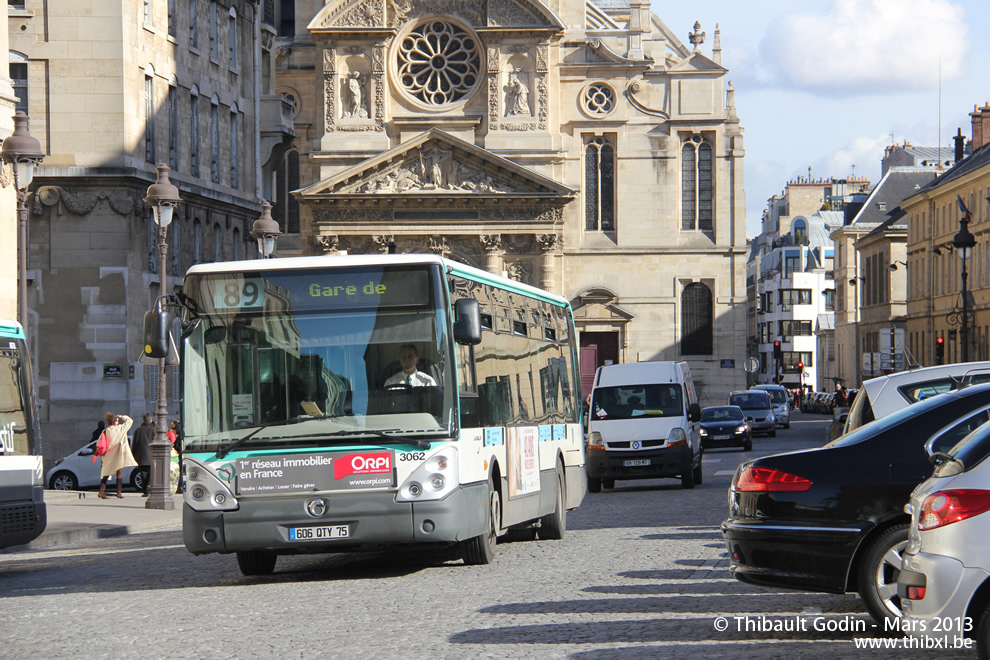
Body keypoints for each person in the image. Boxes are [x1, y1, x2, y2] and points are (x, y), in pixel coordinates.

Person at [98, 412, 137, 500]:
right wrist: (122, 416)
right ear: (116, 422)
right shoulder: (120, 429)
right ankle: (119, 492)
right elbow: (130, 421)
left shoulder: (106, 430)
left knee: (106, 472)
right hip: (118, 453)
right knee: (119, 472)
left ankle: (102, 491)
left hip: (108, 453)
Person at [130, 413, 155, 496]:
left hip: (141, 456)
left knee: (143, 473)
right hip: (152, 456)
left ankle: (145, 491)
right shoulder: (154, 430)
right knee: (151, 473)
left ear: (143, 420)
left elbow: (134, 445)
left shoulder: (138, 430)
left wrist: (133, 457)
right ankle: (149, 487)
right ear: (151, 420)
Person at [168, 420, 184, 494]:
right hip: (179, 454)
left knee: (178, 472)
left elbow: (175, 445)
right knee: (179, 471)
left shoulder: (172, 434)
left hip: (177, 454)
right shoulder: (181, 435)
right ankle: (180, 486)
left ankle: (179, 486)